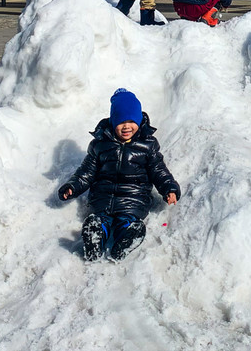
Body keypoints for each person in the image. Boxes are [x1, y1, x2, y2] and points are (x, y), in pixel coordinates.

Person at [58, 89, 180, 262]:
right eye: (121, 121)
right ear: (113, 121)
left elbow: (159, 170)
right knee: (100, 220)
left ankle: (127, 236)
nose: (127, 126)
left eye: (131, 121)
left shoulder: (147, 146)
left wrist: (169, 188)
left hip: (133, 198)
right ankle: (96, 237)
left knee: (127, 220)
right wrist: (72, 187)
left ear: (139, 120)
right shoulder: (100, 145)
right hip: (103, 196)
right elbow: (86, 171)